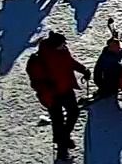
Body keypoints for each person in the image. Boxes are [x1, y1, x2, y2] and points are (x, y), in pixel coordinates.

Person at [27, 32, 89, 161]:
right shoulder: (40, 59)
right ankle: (62, 149)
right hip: (51, 95)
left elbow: (70, 62)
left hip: (66, 89)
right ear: (54, 46)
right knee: (58, 121)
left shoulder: (62, 51)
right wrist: (46, 88)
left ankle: (64, 138)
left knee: (74, 112)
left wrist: (83, 69)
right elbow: (36, 82)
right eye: (62, 44)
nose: (65, 46)